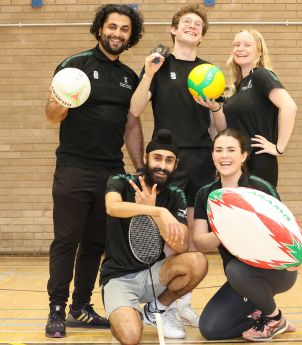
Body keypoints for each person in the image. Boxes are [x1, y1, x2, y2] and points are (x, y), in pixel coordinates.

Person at [44, 4, 145, 338]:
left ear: (131, 36)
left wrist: (140, 167)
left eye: (124, 29)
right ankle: (56, 308)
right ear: (100, 28)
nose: (117, 33)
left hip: (110, 173)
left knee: (95, 244)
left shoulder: (130, 77)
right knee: (66, 241)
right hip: (73, 169)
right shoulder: (75, 65)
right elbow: (52, 114)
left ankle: (80, 307)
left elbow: (131, 126)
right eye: (112, 26)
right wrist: (62, 99)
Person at [130, 4, 215, 327]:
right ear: (174, 30)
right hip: (169, 161)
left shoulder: (209, 72)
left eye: (198, 25)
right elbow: (135, 109)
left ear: (202, 36)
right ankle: (164, 306)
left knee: (195, 236)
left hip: (202, 160)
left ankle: (183, 304)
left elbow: (214, 125)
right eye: (187, 23)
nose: (193, 27)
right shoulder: (157, 65)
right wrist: (149, 73)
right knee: (171, 236)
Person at [100, 129, 208, 343]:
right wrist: (157, 211)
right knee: (130, 337)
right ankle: (126, 316)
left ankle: (156, 309)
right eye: (157, 158)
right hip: (118, 277)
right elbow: (112, 207)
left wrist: (157, 213)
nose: (162, 165)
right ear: (145, 158)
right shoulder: (121, 181)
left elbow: (181, 246)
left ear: (175, 165)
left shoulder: (175, 194)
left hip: (156, 274)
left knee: (197, 261)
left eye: (169, 160)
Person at [193, 128, 299, 342]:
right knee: (211, 330)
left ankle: (273, 317)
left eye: (231, 150)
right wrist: (224, 229)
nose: (224, 156)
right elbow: (199, 242)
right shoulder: (206, 194)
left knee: (236, 269)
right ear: (212, 155)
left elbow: (286, 230)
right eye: (219, 150)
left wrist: (294, 255)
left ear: (243, 156)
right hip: (240, 278)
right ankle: (261, 312)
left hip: (276, 270)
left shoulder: (261, 188)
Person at [194, 28, 297, 187]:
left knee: (258, 211)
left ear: (259, 51)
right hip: (237, 162)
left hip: (259, 162)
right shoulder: (237, 86)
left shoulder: (260, 75)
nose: (240, 49)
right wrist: (215, 107)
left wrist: (279, 148)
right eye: (236, 45)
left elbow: (289, 106)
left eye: (247, 45)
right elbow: (225, 129)